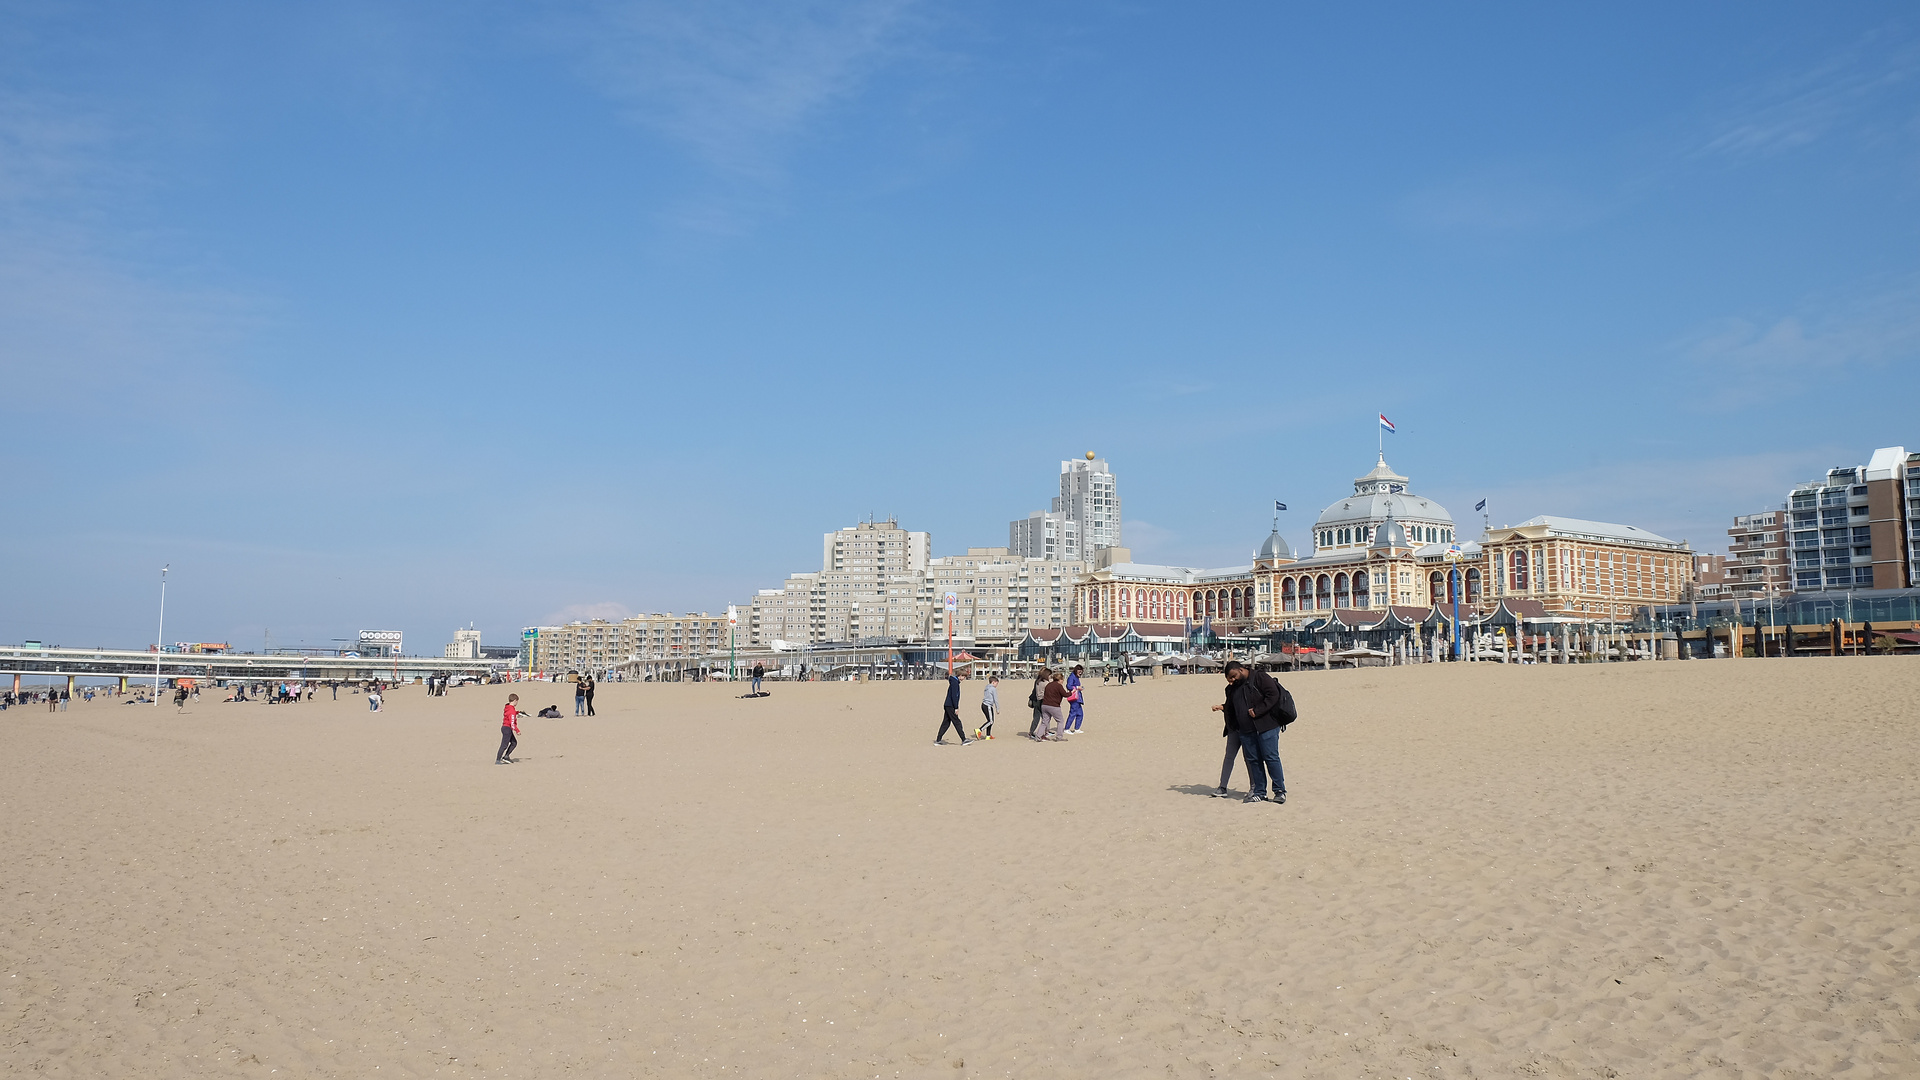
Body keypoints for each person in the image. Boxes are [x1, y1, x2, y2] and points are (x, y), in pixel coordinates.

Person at [1213, 660, 1288, 804]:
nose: (1232, 680)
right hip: (1245, 729)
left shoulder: (1260, 677)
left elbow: (1273, 695)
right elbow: (1231, 707)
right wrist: (1228, 719)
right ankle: (1260, 792)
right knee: (1254, 761)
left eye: (1233, 676)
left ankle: (1279, 791)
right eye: (1229, 679)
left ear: (1241, 670)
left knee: (1271, 758)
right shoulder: (1232, 688)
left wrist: (1258, 711)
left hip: (1267, 726)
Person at [934, 672, 973, 745]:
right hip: (950, 705)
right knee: (957, 722)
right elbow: (954, 696)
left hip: (948, 705)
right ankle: (964, 739)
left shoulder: (954, 682)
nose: (964, 678)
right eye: (964, 676)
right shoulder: (955, 683)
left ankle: (938, 740)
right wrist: (956, 707)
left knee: (946, 723)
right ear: (960, 675)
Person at [1036, 671, 1068, 741]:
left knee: (1044, 722)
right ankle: (1059, 737)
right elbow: (1065, 694)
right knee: (1060, 721)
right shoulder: (1058, 686)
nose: (1063, 681)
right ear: (1060, 679)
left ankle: (1038, 736)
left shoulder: (1049, 685)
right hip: (1054, 706)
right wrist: (1073, 692)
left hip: (1044, 705)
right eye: (1062, 680)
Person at [497, 693, 523, 764]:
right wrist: (517, 730)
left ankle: (506, 756)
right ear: (515, 700)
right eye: (517, 701)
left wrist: (518, 712)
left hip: (506, 728)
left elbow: (511, 713)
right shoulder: (511, 711)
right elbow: (512, 723)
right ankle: (498, 759)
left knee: (514, 743)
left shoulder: (508, 707)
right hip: (507, 728)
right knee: (504, 745)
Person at [975, 675, 1000, 740]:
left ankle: (988, 735)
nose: (997, 685)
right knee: (991, 721)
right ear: (993, 682)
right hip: (988, 705)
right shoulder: (993, 689)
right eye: (997, 683)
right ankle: (979, 730)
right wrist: (997, 708)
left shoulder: (987, 687)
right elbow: (996, 699)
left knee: (990, 720)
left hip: (984, 705)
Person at [1028, 668, 1050, 738]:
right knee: (1044, 717)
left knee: (1037, 717)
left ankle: (1032, 732)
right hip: (1039, 701)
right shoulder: (1044, 682)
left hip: (1036, 700)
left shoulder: (1038, 681)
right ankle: (1044, 732)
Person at [1064, 665, 1085, 733]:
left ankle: (1077, 728)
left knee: (1080, 714)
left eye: (1081, 672)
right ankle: (1067, 728)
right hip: (1074, 698)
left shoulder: (1076, 677)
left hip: (1078, 698)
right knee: (1073, 713)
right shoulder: (1071, 677)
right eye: (1079, 672)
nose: (1080, 673)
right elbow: (1068, 686)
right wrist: (1076, 687)